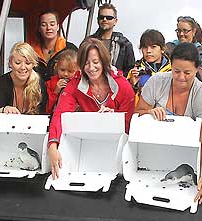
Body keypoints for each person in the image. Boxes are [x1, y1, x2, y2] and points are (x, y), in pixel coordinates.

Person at [135, 42, 202, 204]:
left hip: (190, 156)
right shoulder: (156, 81)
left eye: (187, 72)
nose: (181, 77)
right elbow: (137, 114)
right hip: (155, 155)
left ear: (197, 70)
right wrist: (149, 113)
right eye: (176, 71)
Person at [47, 38, 135, 179]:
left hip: (117, 147)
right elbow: (60, 114)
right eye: (86, 63)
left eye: (95, 62)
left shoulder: (123, 86)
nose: (91, 68)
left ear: (104, 61)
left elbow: (128, 124)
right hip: (89, 147)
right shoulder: (75, 84)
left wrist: (112, 119)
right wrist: (52, 144)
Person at [0, 42, 48, 114]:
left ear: (33, 64)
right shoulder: (1, 83)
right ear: (10, 63)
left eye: (28, 63)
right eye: (18, 63)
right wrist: (3, 110)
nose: (23, 67)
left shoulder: (40, 85)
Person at [88, 3, 135, 76]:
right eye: (101, 17)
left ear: (115, 21)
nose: (104, 19)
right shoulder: (88, 42)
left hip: (116, 84)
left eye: (109, 17)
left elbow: (130, 70)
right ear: (97, 20)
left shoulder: (124, 44)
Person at [127, 29, 171, 105]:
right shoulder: (134, 72)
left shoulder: (173, 71)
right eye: (144, 47)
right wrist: (133, 85)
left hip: (168, 114)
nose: (148, 51)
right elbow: (126, 100)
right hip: (143, 114)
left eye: (153, 47)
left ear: (162, 49)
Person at [32, 10, 78, 81]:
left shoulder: (70, 49)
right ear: (39, 28)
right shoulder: (31, 52)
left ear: (58, 26)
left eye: (52, 24)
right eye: (44, 25)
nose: (48, 28)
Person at [45, 49, 79, 114]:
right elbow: (47, 109)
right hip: (55, 116)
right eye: (62, 70)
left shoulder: (80, 84)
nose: (65, 74)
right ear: (56, 67)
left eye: (70, 71)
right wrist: (55, 91)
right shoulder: (51, 83)